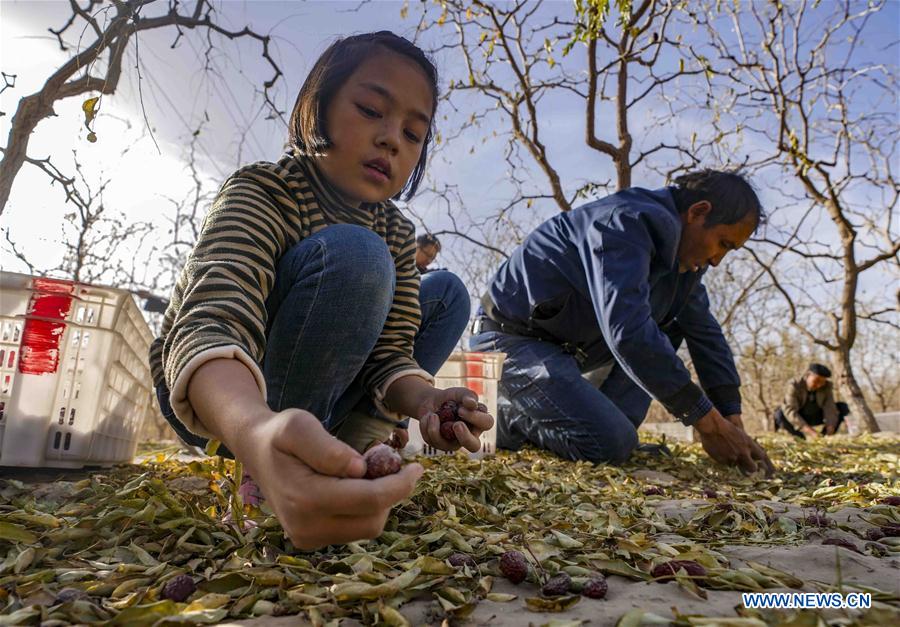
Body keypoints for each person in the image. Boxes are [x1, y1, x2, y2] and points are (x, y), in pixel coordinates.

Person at [149, 32, 491, 550]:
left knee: (446, 293)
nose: (391, 139)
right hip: (228, 402)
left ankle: (347, 450)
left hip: (331, 385)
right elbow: (212, 323)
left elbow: (390, 355)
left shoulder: (397, 232)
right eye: (371, 109)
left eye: (413, 133)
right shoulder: (263, 191)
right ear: (318, 108)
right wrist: (257, 430)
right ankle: (272, 468)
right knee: (356, 256)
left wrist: (427, 402)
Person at [470, 169, 774, 476]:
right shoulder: (624, 222)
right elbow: (627, 331)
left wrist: (731, 418)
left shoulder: (683, 269)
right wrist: (708, 423)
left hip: (567, 351)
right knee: (608, 444)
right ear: (698, 212)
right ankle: (500, 420)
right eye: (723, 243)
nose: (717, 260)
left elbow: (705, 333)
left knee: (669, 331)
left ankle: (613, 429)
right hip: (508, 340)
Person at [773, 363, 849, 438]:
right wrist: (809, 431)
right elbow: (790, 410)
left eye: (822, 382)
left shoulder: (827, 387)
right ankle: (799, 437)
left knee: (842, 407)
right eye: (816, 381)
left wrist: (831, 426)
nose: (819, 385)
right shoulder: (794, 385)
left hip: (816, 416)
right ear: (808, 375)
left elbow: (830, 407)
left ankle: (824, 436)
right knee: (779, 414)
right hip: (800, 416)